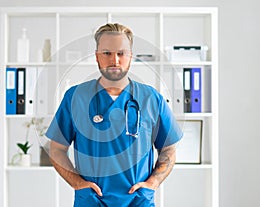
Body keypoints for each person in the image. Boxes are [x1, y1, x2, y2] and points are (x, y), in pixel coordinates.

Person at [45, 23, 183, 207]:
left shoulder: (152, 98)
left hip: (138, 201)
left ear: (130, 56)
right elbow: (57, 149)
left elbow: (168, 149)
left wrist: (152, 184)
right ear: (96, 56)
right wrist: (78, 184)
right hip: (91, 201)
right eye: (107, 53)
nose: (115, 60)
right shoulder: (75, 97)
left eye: (121, 53)